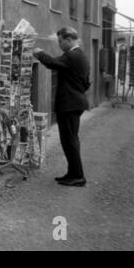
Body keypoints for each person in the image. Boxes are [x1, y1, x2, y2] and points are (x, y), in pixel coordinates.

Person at [33, 27, 91, 187]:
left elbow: (53, 63)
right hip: (75, 103)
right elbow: (86, 82)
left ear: (69, 40)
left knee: (70, 141)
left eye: (60, 41)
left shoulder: (72, 55)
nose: (59, 44)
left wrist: (38, 53)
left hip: (70, 105)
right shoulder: (81, 56)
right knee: (70, 140)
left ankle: (78, 176)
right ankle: (72, 173)